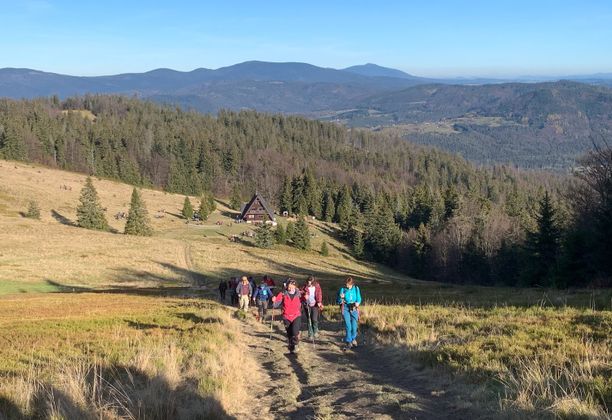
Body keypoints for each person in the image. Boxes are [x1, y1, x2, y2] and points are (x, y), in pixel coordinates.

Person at [273, 278, 303, 354]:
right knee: (289, 334)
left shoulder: (299, 294)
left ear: (295, 286)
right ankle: (291, 348)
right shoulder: (283, 294)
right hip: (286, 316)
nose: (290, 288)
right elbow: (276, 305)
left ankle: (296, 344)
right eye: (288, 287)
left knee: (294, 332)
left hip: (296, 315)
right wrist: (274, 300)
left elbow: (305, 302)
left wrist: (307, 299)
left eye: (292, 287)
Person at [337, 277, 362, 350]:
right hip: (345, 308)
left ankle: (353, 339)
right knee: (348, 325)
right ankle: (348, 341)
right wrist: (341, 298)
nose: (347, 286)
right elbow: (338, 301)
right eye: (346, 284)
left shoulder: (356, 288)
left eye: (348, 285)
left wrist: (358, 303)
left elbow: (359, 298)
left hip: (354, 308)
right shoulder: (342, 289)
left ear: (352, 284)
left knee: (354, 326)